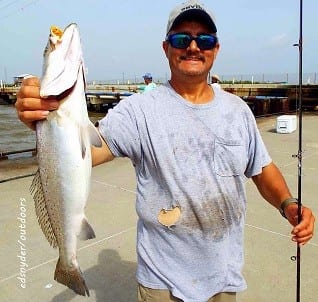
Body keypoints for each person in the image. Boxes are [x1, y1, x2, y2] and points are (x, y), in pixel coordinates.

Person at [15, 1, 315, 302]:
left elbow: (261, 169)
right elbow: (83, 155)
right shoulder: (137, 112)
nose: (194, 47)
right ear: (166, 47)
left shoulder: (238, 112)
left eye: (205, 39)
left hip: (224, 277)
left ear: (216, 48)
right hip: (161, 284)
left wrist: (287, 203)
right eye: (182, 39)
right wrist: (40, 121)